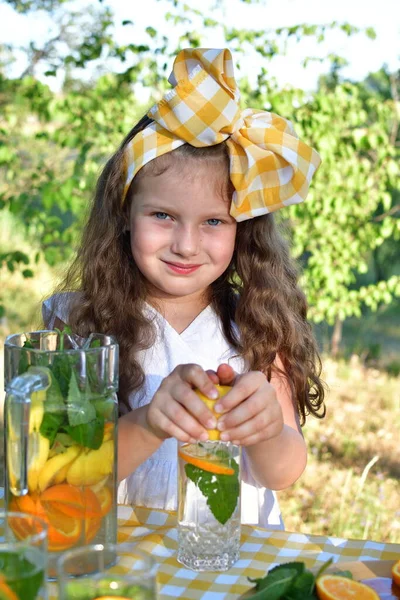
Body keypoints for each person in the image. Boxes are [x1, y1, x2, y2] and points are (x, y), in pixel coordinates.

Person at [43, 47, 325, 529]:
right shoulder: (78, 324)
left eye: (214, 220)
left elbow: (283, 472)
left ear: (244, 230)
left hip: (232, 567)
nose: (186, 244)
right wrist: (151, 422)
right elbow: (63, 475)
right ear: (124, 215)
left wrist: (265, 432)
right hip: (123, 562)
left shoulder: (256, 324)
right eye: (163, 216)